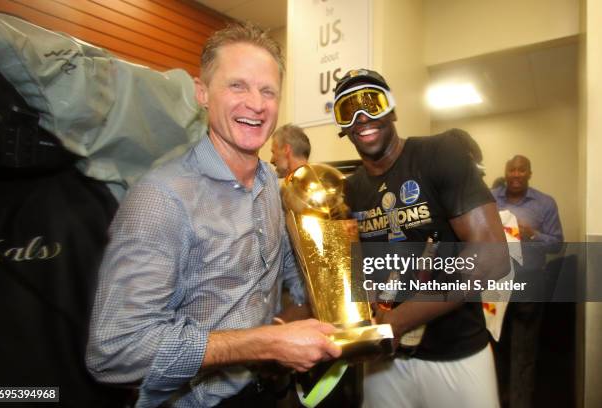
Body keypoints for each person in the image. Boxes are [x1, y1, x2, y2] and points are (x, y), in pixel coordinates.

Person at [86, 22, 341, 408]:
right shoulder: (162, 198)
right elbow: (116, 351)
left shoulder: (271, 186)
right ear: (202, 93)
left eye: (267, 90)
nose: (256, 103)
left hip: (269, 391)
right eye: (237, 85)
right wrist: (263, 343)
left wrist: (331, 298)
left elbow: (290, 269)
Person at [332, 68, 509, 407]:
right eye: (348, 110)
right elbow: (359, 272)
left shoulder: (441, 153)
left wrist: (397, 321)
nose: (362, 116)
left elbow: (492, 257)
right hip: (384, 361)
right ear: (342, 127)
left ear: (393, 109)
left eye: (372, 102)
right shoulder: (350, 189)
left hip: (455, 354)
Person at [492, 155, 564, 408]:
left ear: (530, 174)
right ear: (506, 172)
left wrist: (531, 234)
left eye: (522, 170)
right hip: (495, 283)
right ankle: (496, 400)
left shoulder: (545, 203)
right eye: (512, 169)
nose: (516, 174)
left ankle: (520, 402)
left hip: (530, 283)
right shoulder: (490, 199)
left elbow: (557, 243)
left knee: (524, 349)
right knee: (495, 345)